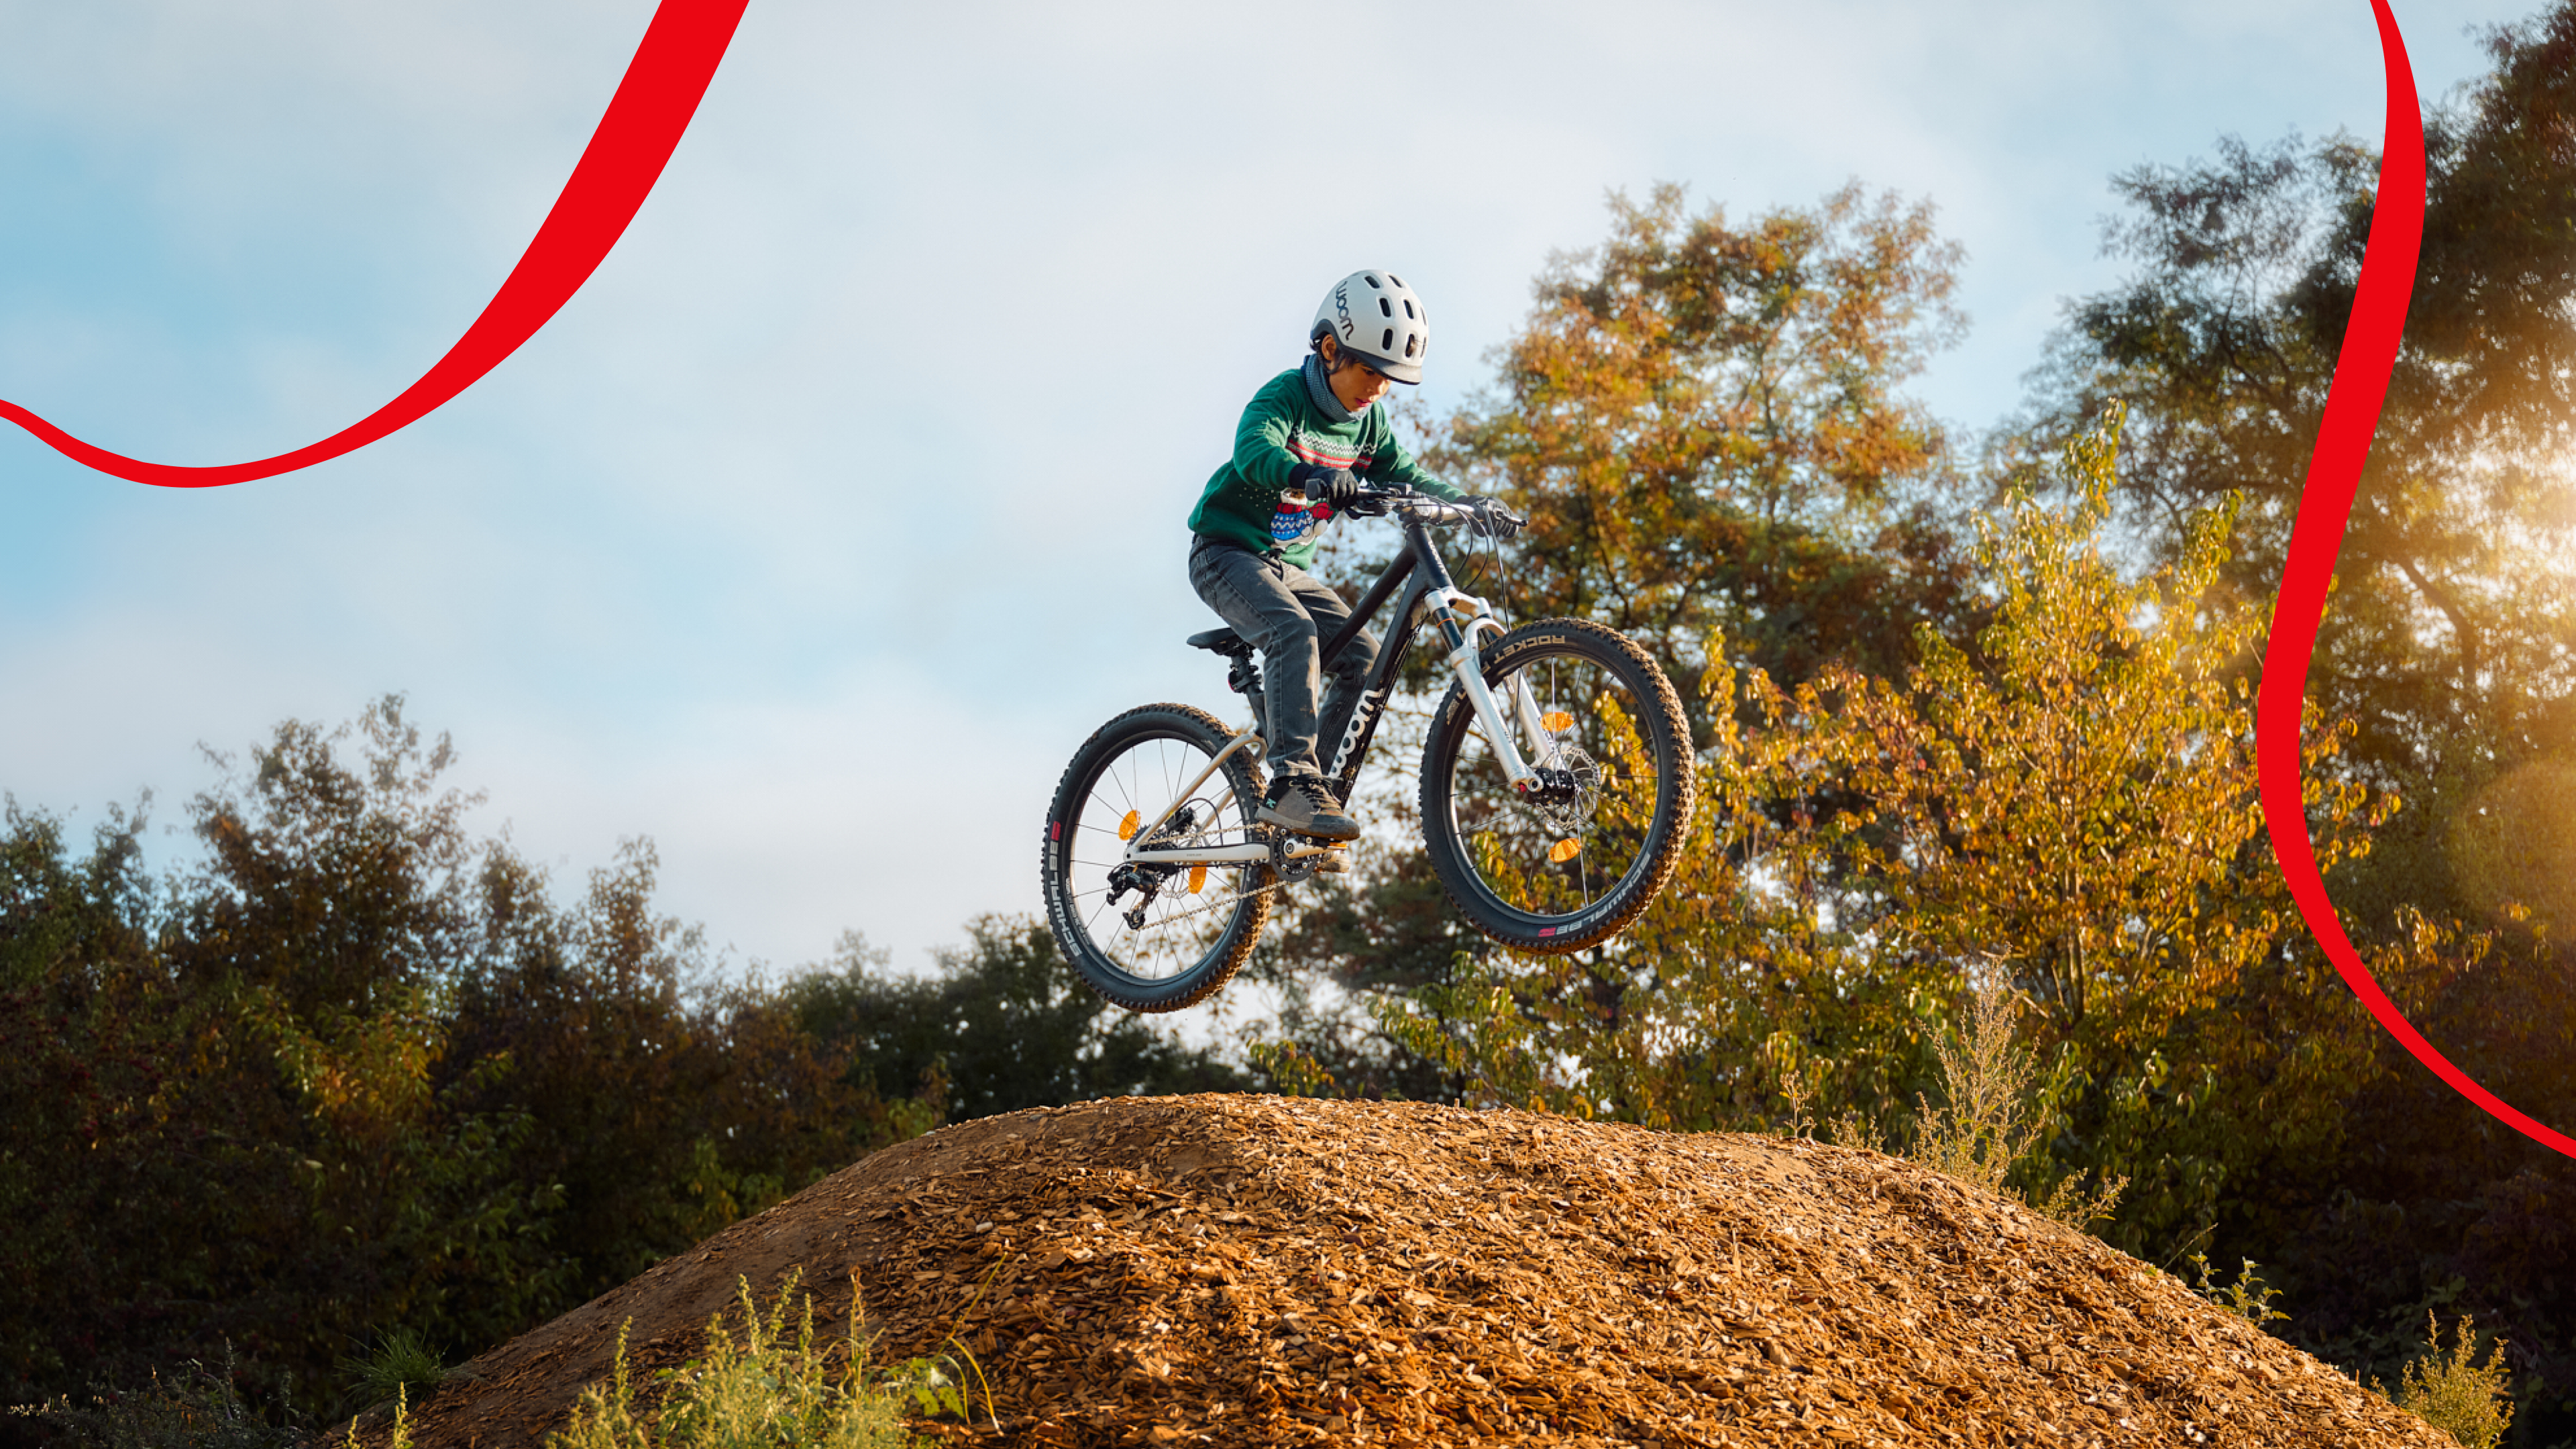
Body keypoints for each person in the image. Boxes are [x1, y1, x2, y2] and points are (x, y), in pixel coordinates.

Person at [1185, 269, 1517, 841]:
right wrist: (1306, 474)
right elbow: (1253, 451)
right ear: (1331, 349)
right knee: (1292, 631)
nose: (1377, 388)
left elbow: (1407, 477)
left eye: (1391, 380)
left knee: (1361, 657)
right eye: (1370, 370)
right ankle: (1293, 784)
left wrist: (1466, 503)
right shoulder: (1285, 397)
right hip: (1226, 552)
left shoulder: (1370, 425)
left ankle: (1318, 802)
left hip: (1284, 569)